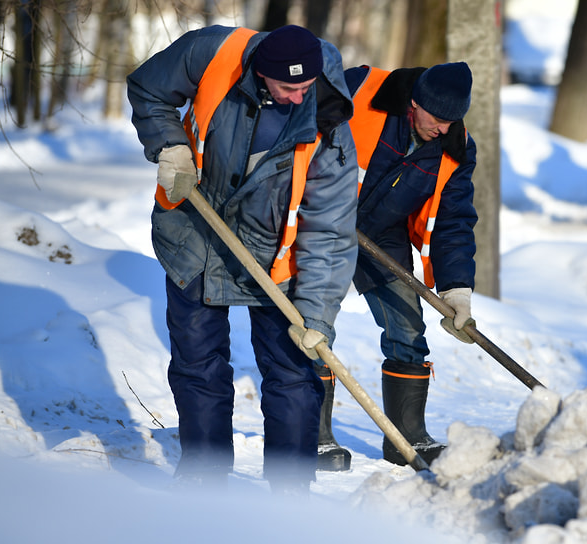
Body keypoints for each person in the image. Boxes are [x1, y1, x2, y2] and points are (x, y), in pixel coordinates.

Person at [126, 24, 358, 493]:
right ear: (259, 74)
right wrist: (170, 147)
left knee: (293, 372)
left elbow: (330, 231)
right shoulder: (214, 52)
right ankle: (204, 478)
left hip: (277, 257)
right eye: (287, 87)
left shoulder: (328, 121)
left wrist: (316, 315)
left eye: (305, 85)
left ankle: (289, 493)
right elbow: (148, 87)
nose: (298, 97)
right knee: (198, 363)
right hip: (195, 232)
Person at [312, 62, 478, 469]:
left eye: (452, 121)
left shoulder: (455, 148)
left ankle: (408, 437)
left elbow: (454, 220)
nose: (443, 129)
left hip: (380, 232)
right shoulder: (359, 93)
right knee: (312, 323)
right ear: (414, 103)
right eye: (437, 119)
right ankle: (309, 434)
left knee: (407, 326)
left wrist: (456, 287)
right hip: (320, 221)